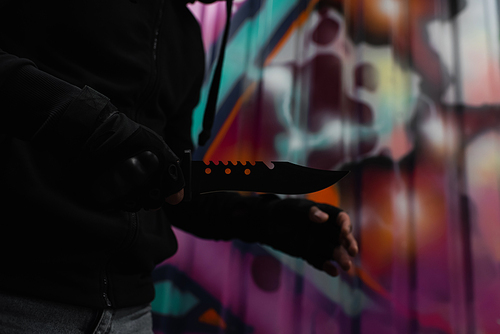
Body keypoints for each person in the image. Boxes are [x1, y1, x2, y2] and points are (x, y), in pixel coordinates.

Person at [0, 0, 358, 333]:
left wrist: (281, 224)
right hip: (20, 301)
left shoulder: (185, 37)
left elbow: (174, 189)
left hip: (131, 314)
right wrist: (97, 126)